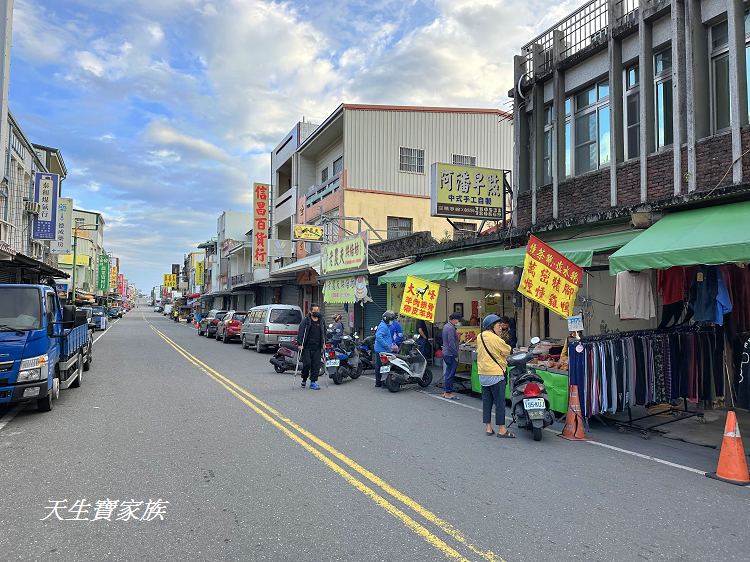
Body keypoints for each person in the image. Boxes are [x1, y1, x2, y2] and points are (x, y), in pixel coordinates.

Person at [476, 314, 514, 438]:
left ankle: (488, 428)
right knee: (499, 403)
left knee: (487, 402)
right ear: (491, 326)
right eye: (498, 325)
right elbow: (507, 350)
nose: (500, 328)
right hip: (496, 374)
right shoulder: (495, 338)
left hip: (483, 374)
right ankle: (502, 429)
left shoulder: (479, 336)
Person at [297, 304, 326, 390]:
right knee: (307, 364)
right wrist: (300, 344)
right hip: (307, 347)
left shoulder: (321, 321)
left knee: (316, 365)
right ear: (310, 311)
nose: (316, 312)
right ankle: (304, 379)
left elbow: (324, 332)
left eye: (318, 311)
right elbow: (301, 332)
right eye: (315, 311)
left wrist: (324, 343)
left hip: (317, 347)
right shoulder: (306, 321)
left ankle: (313, 382)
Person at [441, 313, 461, 400]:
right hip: (450, 353)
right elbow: (451, 343)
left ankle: (446, 392)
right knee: (450, 373)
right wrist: (455, 354)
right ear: (454, 319)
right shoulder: (450, 328)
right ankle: (448, 392)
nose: (458, 321)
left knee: (448, 372)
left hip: (446, 352)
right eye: (457, 319)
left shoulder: (446, 326)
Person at [374, 310, 396, 388]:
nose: (392, 321)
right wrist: (386, 345)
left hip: (380, 349)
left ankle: (379, 382)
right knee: (384, 367)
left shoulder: (384, 325)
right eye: (391, 320)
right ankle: (383, 382)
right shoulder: (383, 326)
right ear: (387, 319)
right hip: (382, 350)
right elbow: (379, 336)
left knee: (380, 366)